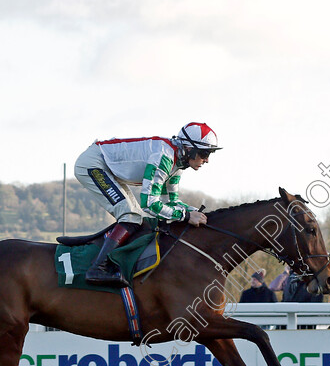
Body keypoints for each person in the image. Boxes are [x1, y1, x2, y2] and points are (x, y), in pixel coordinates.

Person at [74, 122, 221, 287]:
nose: (207, 160)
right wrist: (186, 216)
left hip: (106, 166)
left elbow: (171, 202)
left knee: (134, 217)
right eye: (204, 153)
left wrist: (194, 212)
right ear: (188, 149)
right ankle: (97, 268)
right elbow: (150, 205)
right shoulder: (164, 157)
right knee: (130, 216)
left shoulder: (178, 164)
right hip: (93, 164)